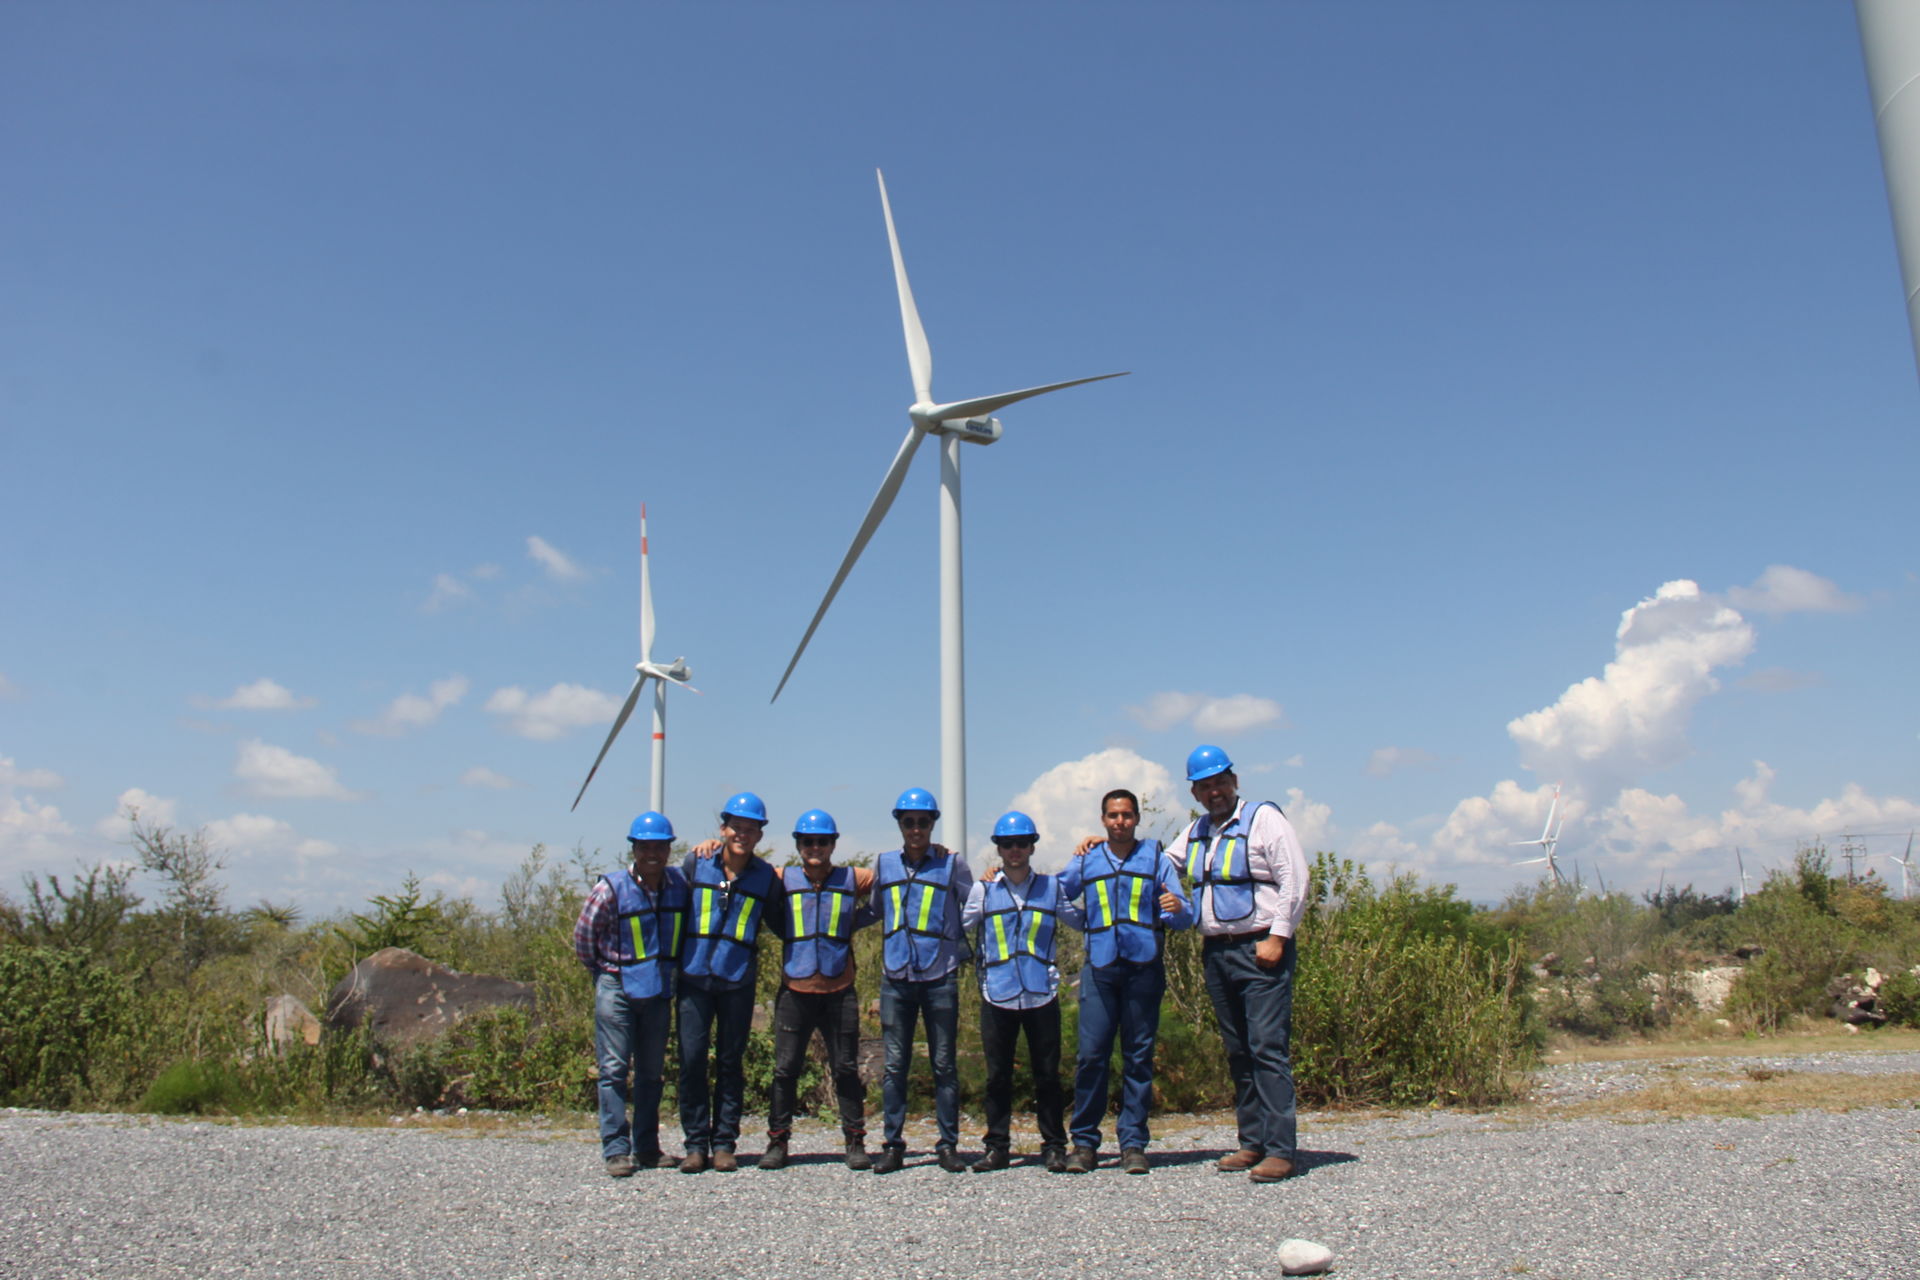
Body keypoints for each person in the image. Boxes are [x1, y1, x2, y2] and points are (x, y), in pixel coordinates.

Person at [1165, 745, 1311, 1183]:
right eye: (1205, 785)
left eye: (1220, 782)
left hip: (1260, 950)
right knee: (1239, 1051)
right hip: (1218, 953)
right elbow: (1160, 863)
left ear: (1235, 780)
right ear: (1194, 792)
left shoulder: (1264, 819)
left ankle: (1281, 1150)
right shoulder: (1195, 833)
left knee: (1267, 1048)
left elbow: (1296, 879)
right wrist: (1106, 845)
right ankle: (1253, 1142)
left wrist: (1278, 936)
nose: (1215, 792)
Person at [1057, 788, 1193, 1174]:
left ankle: (1133, 1143)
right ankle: (1084, 1143)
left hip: (1143, 968)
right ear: (1103, 819)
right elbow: (1054, 894)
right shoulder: (1086, 859)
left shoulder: (1155, 858)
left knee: (1137, 1056)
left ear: (1137, 818)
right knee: (1091, 1056)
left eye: (1127, 815)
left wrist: (1175, 909)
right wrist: (1084, 924)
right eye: (1113, 815)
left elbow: (1184, 914)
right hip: (1100, 969)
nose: (1120, 822)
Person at [760, 808, 879, 1172]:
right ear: (797, 845)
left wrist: (859, 920)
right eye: (808, 841)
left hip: (839, 989)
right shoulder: (781, 879)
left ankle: (855, 1140)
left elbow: (894, 880)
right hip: (794, 989)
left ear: (833, 844)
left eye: (822, 841)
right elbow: (750, 881)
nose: (815, 847)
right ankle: (778, 1142)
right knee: (785, 1070)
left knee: (845, 1067)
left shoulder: (852, 878)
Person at [960, 811, 1078, 1173]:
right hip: (997, 993)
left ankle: (1054, 1146)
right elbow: (957, 924)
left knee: (1047, 1074)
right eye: (1008, 844)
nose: (1015, 850)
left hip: (1042, 992)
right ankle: (997, 1146)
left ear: (1032, 846)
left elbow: (1080, 919)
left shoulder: (1051, 888)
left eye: (1022, 843)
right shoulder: (984, 890)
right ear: (998, 848)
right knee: (997, 1076)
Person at [573, 810, 689, 1177]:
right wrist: (604, 973)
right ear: (634, 848)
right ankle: (616, 1150)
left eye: (660, 846)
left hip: (657, 989)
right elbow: (584, 939)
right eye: (645, 846)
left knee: (651, 1074)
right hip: (617, 985)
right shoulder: (610, 889)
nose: (652, 853)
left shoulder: (678, 886)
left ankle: (648, 1148)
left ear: (669, 849)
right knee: (613, 1070)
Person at [676, 791, 784, 1173]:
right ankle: (694, 1145)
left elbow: (783, 922)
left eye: (750, 829)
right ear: (723, 829)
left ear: (759, 836)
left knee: (729, 1062)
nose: (742, 834)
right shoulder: (696, 862)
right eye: (736, 827)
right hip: (693, 976)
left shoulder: (765, 877)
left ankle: (724, 1143)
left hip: (736, 978)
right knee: (691, 1060)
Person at [871, 786, 973, 1174]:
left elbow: (975, 903)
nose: (916, 829)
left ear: (933, 824)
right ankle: (893, 1144)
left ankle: (947, 1144)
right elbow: (877, 909)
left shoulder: (951, 865)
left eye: (923, 822)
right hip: (896, 978)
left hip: (939, 976)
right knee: (895, 1066)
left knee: (944, 1065)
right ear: (899, 823)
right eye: (909, 821)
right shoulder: (884, 864)